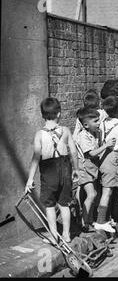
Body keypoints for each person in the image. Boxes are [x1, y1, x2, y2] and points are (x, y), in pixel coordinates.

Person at [25, 98, 79, 244]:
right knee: (64, 204)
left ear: (42, 115)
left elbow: (36, 158)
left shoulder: (39, 134)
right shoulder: (66, 131)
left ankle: (54, 237)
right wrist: (76, 169)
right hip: (65, 167)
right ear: (59, 114)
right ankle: (67, 235)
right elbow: (73, 152)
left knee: (49, 205)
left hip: (48, 170)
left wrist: (30, 179)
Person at [74, 107, 116, 233]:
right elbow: (91, 153)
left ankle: (88, 220)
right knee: (92, 194)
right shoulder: (83, 136)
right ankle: (84, 222)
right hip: (85, 168)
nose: (99, 123)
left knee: (93, 195)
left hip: (93, 168)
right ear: (86, 124)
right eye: (96, 121)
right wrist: (106, 146)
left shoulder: (95, 133)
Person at [96, 96, 118, 233]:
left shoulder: (103, 123)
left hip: (103, 158)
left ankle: (105, 218)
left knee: (106, 189)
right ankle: (100, 221)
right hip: (113, 158)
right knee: (107, 191)